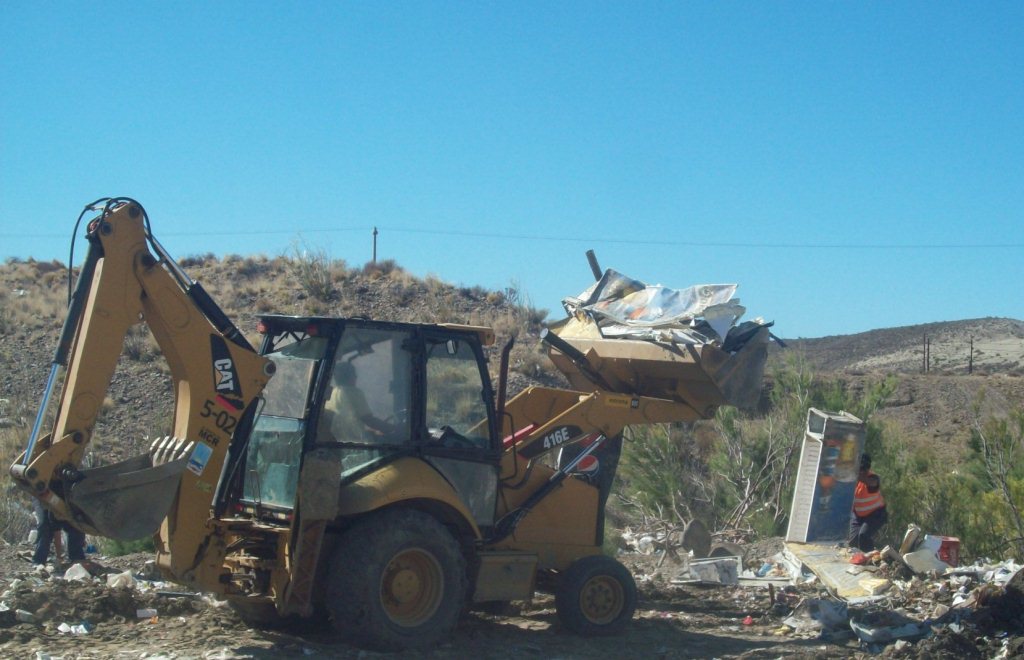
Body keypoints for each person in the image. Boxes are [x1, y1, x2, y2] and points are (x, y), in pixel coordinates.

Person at [322, 362, 398, 442]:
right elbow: (368, 419)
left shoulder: (331, 394)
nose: (356, 377)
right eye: (354, 374)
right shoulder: (354, 393)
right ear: (351, 377)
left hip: (337, 442)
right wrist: (392, 428)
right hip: (357, 443)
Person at [849, 453, 887, 552]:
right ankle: (858, 558)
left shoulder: (872, 478)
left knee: (863, 535)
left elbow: (872, 483)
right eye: (860, 469)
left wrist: (854, 474)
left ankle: (870, 558)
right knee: (853, 542)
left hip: (876, 515)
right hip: (858, 516)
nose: (862, 472)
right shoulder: (852, 480)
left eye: (864, 469)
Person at [32, 498, 86, 566]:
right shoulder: (52, 516)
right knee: (46, 527)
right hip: (43, 497)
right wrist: (59, 557)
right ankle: (38, 561)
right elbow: (57, 533)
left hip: (66, 498)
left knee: (75, 526)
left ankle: (77, 559)